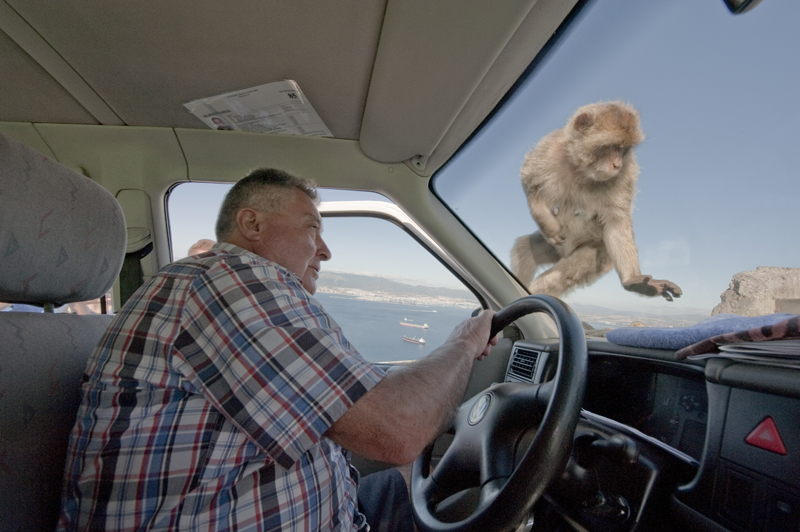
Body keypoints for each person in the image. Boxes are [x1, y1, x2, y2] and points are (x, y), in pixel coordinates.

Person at [58, 168, 496, 532]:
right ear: (252, 225)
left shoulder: (232, 289)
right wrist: (464, 342)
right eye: (311, 228)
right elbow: (396, 429)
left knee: (421, 484)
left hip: (327, 511)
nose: (324, 250)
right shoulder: (225, 281)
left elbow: (362, 397)